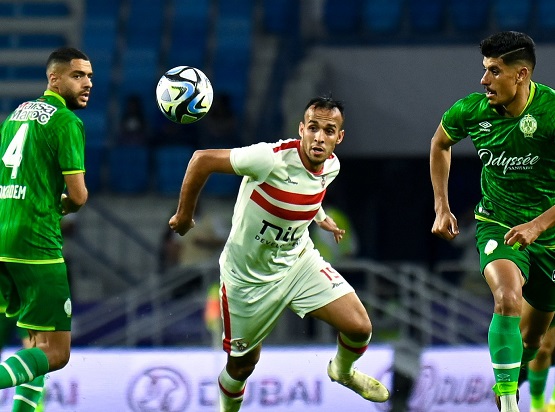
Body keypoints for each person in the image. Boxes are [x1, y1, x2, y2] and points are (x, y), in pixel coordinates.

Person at [169, 95, 390, 411]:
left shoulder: (331, 166)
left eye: (329, 131)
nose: (319, 137)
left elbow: (306, 191)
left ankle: (342, 372)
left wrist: (321, 218)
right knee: (242, 367)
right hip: (247, 278)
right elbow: (201, 160)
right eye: (313, 128)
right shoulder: (269, 159)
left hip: (298, 263)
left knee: (359, 327)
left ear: (339, 137)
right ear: (301, 129)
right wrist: (184, 215)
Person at [430, 31, 555, 412]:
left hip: (548, 235)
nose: (484, 80)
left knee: (533, 340)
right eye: (485, 69)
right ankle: (508, 401)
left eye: (494, 71)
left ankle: (513, 381)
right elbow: (440, 144)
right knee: (507, 298)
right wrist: (441, 206)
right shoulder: (471, 110)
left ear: (521, 74)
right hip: (496, 223)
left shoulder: (551, 111)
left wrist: (538, 225)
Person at [0, 47, 91, 412]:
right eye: (77, 76)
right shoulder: (67, 122)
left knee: (36, 342)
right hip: (36, 243)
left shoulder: (15, 115)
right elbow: (78, 196)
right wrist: (63, 206)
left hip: (4, 235)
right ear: (54, 78)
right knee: (56, 352)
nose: (87, 83)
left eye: (89, 76)